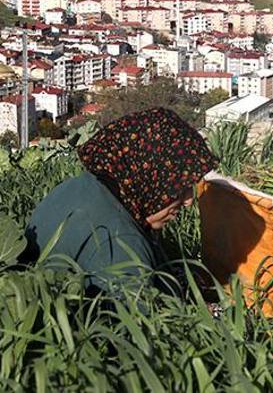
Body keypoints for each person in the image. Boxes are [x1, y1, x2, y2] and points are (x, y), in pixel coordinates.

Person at [25, 107, 218, 291]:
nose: (189, 201)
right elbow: (140, 323)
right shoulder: (123, 246)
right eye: (180, 188)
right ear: (152, 177)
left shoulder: (79, 186)